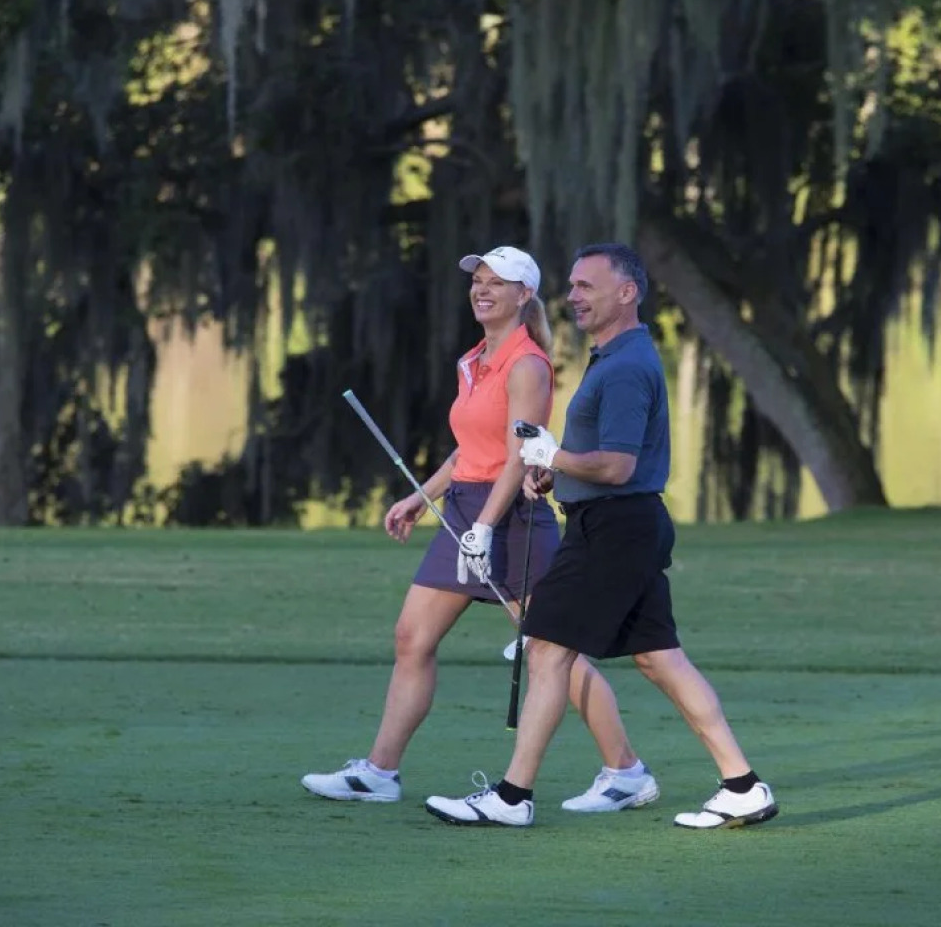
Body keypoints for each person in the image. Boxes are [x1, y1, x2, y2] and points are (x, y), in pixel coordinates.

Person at [424, 242, 778, 830]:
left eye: (587, 286)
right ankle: (742, 785)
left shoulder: (627, 367)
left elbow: (616, 466)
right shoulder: (613, 358)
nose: (573, 297)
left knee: (547, 648)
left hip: (615, 529)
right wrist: (553, 466)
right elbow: (601, 462)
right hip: (620, 525)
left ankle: (513, 797)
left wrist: (552, 454)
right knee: (661, 660)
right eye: (572, 286)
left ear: (627, 292)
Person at [302, 245, 661, 814]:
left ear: (525, 296)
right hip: (467, 512)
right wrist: (422, 497)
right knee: (411, 638)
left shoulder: (528, 364)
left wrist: (488, 526)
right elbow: (471, 450)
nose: (483, 289)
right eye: (478, 281)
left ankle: (626, 771)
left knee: (551, 651)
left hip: (512, 518)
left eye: (499, 282)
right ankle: (380, 772)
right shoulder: (473, 360)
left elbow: (522, 454)